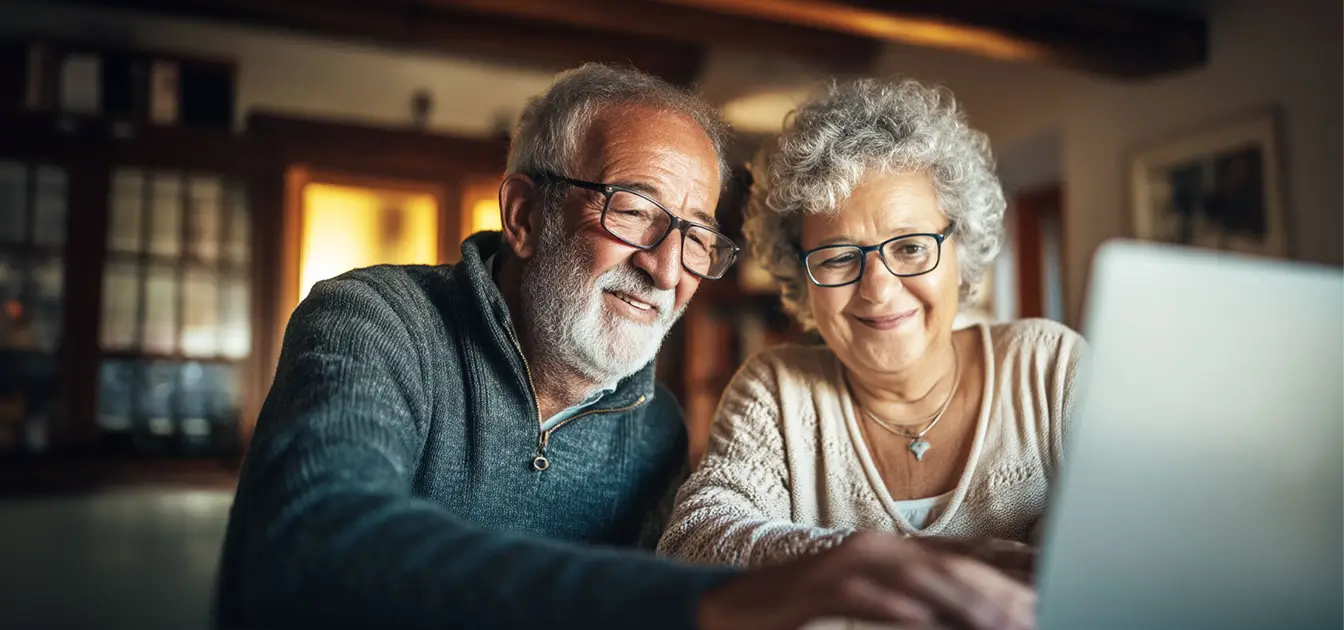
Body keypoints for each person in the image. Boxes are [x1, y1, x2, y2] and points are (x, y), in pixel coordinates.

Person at [215, 64, 1035, 630]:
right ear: (527, 215)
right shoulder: (374, 320)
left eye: (696, 235)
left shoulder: (654, 429)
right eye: (635, 210)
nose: (665, 266)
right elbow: (315, 545)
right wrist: (705, 604)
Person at [658, 77, 1088, 594]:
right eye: (839, 257)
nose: (879, 290)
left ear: (961, 247)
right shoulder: (777, 392)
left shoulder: (1051, 370)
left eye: (909, 247)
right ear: (800, 274)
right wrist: (889, 560)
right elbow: (695, 541)